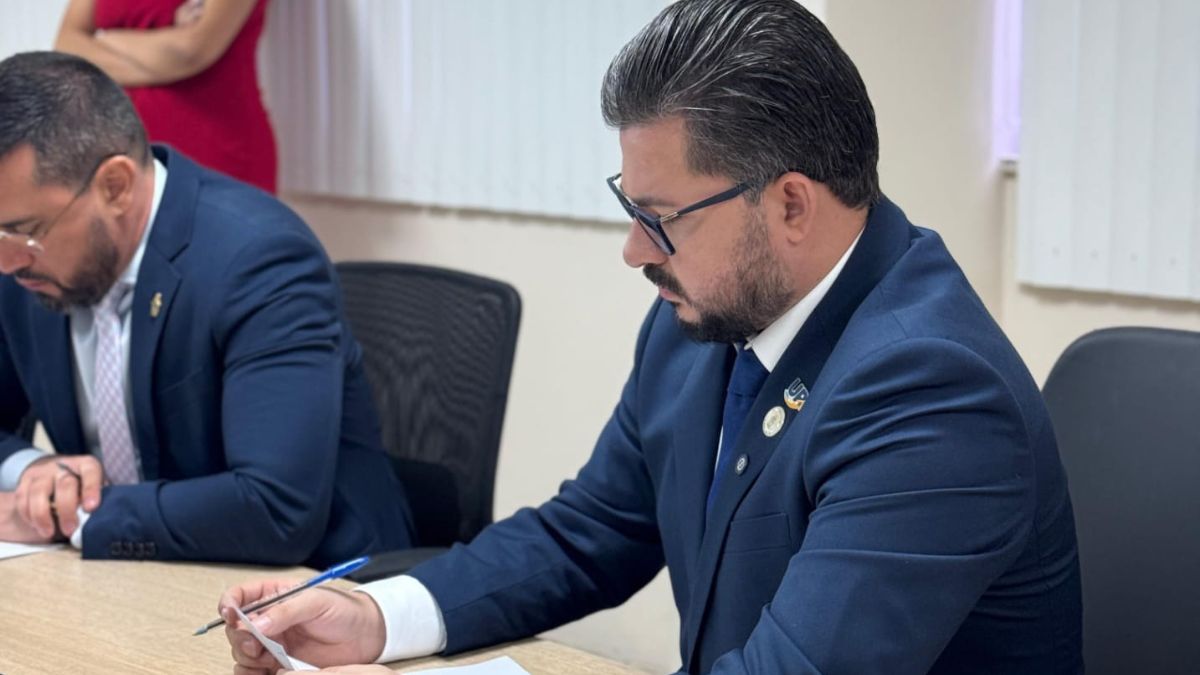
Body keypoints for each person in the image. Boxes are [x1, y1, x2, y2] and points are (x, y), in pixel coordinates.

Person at [221, 1, 1083, 672]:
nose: (635, 250)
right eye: (631, 208)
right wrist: (380, 616)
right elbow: (588, 531)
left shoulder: (931, 390)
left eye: (662, 217)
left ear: (790, 203)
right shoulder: (704, 315)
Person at [0, 51, 415, 567]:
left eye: (22, 231)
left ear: (115, 187)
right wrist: (33, 472)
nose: (6, 262)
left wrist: (74, 515)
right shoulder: (28, 264)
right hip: (122, 577)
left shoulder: (260, 260)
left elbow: (274, 507)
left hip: (311, 587)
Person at [54, 0, 278, 193]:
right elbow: (66, 46)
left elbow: (191, 52)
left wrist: (103, 42)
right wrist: (165, 51)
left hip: (215, 148)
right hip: (119, 150)